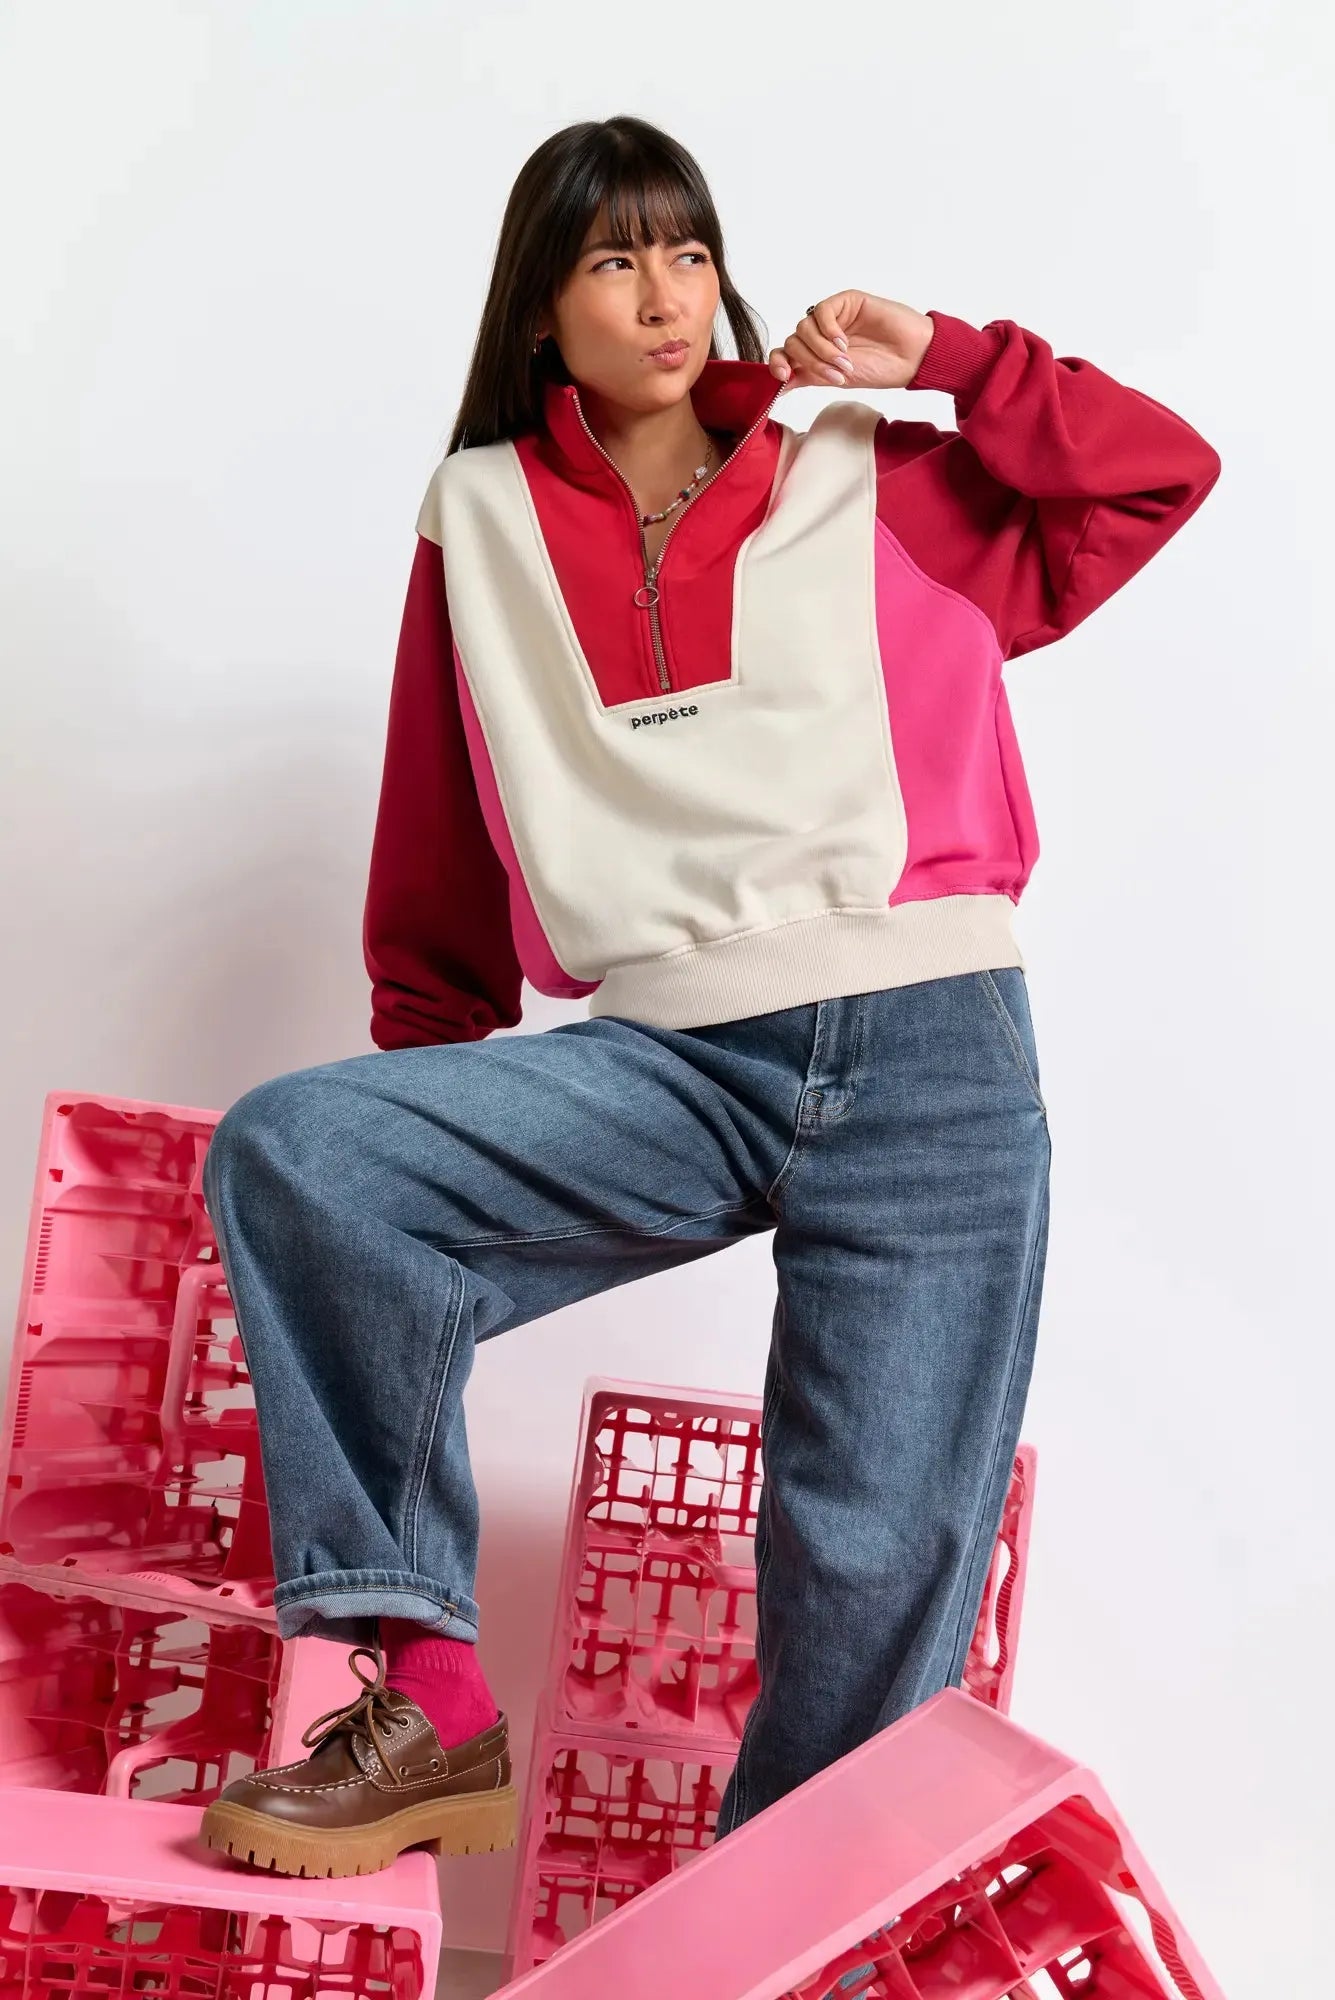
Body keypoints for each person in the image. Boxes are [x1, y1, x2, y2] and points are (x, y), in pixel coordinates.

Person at [197, 113, 1221, 1880]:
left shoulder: (870, 477)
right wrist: (440, 1102)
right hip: (670, 1056)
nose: (665, 293)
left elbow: (1156, 473)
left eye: (688, 251)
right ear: (542, 307)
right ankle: (430, 1698)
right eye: (614, 258)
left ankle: (777, 1935)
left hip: (933, 1053)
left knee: (868, 1553)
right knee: (306, 1156)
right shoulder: (480, 521)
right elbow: (437, 821)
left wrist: (950, 359)